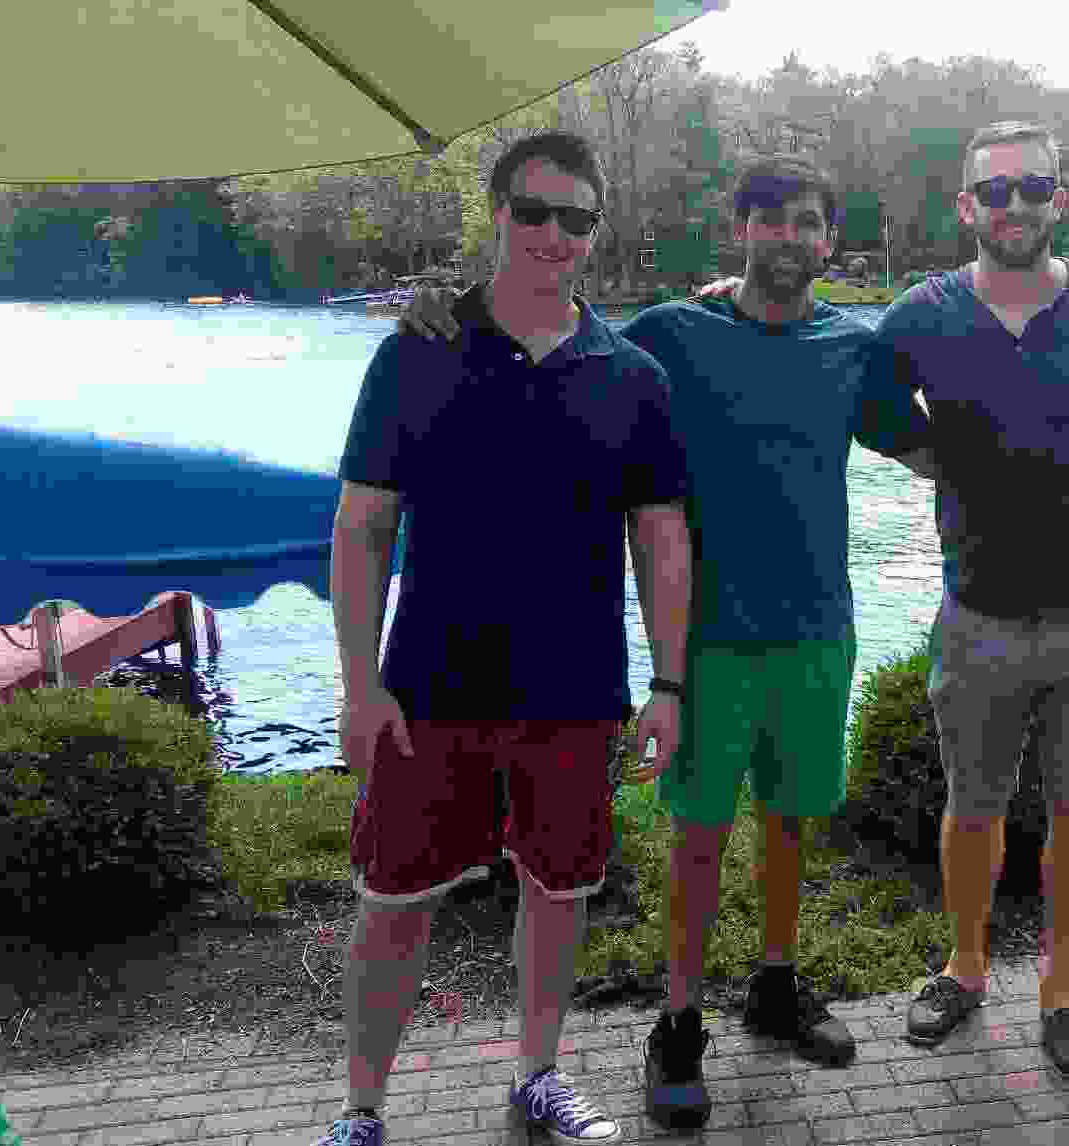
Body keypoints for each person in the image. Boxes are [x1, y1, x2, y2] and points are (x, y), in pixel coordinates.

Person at [399, 154, 935, 1131]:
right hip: (706, 641)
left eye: (805, 221)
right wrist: (452, 311)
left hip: (818, 630)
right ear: (741, 231)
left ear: (829, 239)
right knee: (698, 837)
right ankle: (678, 1022)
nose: (787, 237)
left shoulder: (852, 349)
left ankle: (775, 985)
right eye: (768, 219)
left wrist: (1022, 427)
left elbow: (931, 449)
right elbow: (556, 342)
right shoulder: (671, 335)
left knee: (790, 822)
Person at [694, 121, 1069, 1082]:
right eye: (994, 191)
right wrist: (733, 300)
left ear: (1057, 200)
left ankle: (1062, 993)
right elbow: (838, 371)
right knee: (973, 809)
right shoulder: (919, 316)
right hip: (977, 615)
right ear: (966, 207)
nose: (1014, 206)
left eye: (1032, 188)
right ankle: (964, 969)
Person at [322, 131, 693, 1146]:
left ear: (595, 231)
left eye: (575, 218)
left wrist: (667, 685)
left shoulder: (632, 376)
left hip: (574, 693)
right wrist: (359, 684)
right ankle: (361, 1111)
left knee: (559, 894)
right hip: (428, 689)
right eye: (533, 212)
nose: (552, 235)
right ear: (497, 213)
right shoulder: (416, 353)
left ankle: (537, 1074)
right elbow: (361, 527)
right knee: (391, 903)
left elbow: (661, 540)